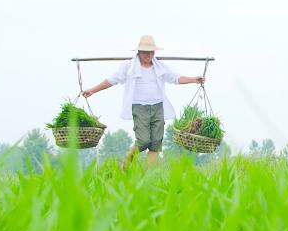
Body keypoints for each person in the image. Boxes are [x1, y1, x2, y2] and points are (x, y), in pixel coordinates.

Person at [82, 35, 204, 169]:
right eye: (146, 52)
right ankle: (125, 166)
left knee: (156, 142)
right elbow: (112, 80)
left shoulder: (159, 67)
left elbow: (175, 78)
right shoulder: (129, 67)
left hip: (158, 107)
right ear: (139, 52)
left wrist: (194, 79)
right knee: (143, 141)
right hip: (140, 107)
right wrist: (93, 90)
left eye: (151, 52)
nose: (149, 55)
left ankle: (150, 177)